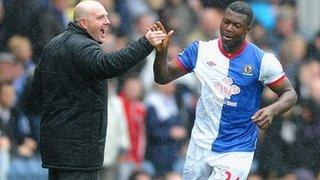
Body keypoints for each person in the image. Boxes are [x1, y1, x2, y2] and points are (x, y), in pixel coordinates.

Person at [152, 1, 297, 179]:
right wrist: (161, 53)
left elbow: (290, 94)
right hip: (200, 144)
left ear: (247, 29)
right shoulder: (201, 51)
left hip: (236, 149)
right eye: (226, 22)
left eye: (236, 25)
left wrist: (272, 110)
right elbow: (163, 77)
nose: (228, 28)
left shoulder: (262, 61)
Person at [22, 0, 166, 180]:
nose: (108, 21)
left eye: (106, 16)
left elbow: (33, 94)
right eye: (100, 18)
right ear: (83, 23)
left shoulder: (53, 45)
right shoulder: (82, 46)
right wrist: (145, 43)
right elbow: (109, 65)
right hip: (78, 152)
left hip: (57, 150)